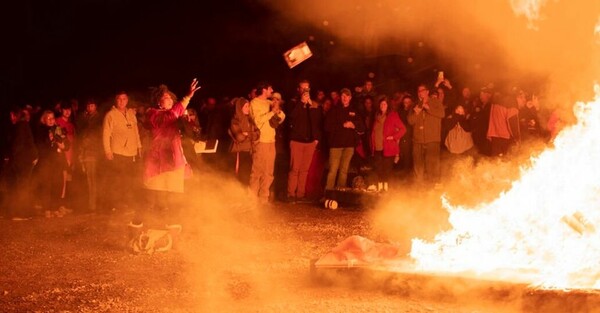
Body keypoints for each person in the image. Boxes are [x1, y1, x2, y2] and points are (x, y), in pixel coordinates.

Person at [142, 79, 201, 227]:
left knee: (174, 194)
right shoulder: (153, 114)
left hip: (174, 160)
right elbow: (170, 117)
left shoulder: (175, 115)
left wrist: (189, 123)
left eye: (170, 97)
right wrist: (187, 97)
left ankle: (172, 226)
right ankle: (145, 225)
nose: (169, 99)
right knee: (155, 195)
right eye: (165, 97)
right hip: (159, 161)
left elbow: (188, 131)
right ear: (158, 102)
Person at [102, 91, 143, 213]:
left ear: (127, 100)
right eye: (119, 99)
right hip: (118, 152)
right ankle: (117, 205)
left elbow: (135, 131)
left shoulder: (131, 114)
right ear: (116, 100)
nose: (122, 101)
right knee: (118, 180)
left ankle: (127, 203)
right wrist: (107, 150)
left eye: (124, 99)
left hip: (131, 152)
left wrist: (139, 146)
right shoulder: (110, 115)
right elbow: (105, 134)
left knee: (129, 180)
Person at [249, 81, 285, 205]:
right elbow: (258, 121)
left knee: (269, 172)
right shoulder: (254, 103)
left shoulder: (270, 102)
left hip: (271, 141)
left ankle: (263, 198)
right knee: (257, 171)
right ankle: (252, 198)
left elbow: (282, 117)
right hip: (261, 141)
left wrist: (277, 110)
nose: (272, 91)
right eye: (270, 89)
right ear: (264, 90)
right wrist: (272, 112)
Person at [286, 82, 322, 203]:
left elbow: (317, 122)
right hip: (297, 140)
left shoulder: (314, 104)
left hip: (310, 142)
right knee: (294, 169)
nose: (305, 89)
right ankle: (291, 194)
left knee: (304, 170)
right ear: (298, 89)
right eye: (303, 88)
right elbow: (291, 116)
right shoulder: (293, 102)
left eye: (307, 87)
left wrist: (316, 138)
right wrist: (301, 103)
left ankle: (301, 195)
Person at [324, 88, 365, 190]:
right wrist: (342, 125)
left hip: (349, 145)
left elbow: (362, 127)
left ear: (350, 98)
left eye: (347, 96)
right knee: (333, 170)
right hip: (336, 145)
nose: (345, 98)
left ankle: (340, 193)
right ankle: (328, 192)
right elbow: (327, 126)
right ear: (340, 98)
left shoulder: (354, 111)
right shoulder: (334, 110)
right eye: (343, 96)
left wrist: (353, 125)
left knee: (344, 170)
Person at [407, 84, 445, 186]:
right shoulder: (414, 104)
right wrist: (416, 113)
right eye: (418, 91)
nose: (420, 92)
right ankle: (419, 189)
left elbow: (442, 114)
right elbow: (410, 121)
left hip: (432, 139)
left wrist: (428, 108)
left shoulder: (435, 102)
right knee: (418, 166)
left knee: (432, 165)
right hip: (418, 140)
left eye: (422, 90)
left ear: (427, 92)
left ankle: (434, 187)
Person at [4, 108, 38, 219]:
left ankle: (22, 212)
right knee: (22, 186)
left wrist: (11, 160)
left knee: (21, 186)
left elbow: (18, 145)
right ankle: (20, 211)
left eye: (12, 115)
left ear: (15, 115)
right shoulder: (23, 125)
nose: (11, 118)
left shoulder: (21, 125)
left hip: (23, 161)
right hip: (25, 160)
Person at [370, 96, 406, 191]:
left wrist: (394, 137)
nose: (382, 105)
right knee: (379, 170)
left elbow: (403, 129)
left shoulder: (392, 115)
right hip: (377, 147)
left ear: (388, 105)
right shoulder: (376, 117)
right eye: (381, 104)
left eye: (384, 104)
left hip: (388, 147)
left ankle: (385, 191)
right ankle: (379, 190)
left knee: (386, 171)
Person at [77, 99, 103, 212]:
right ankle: (89, 204)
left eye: (92, 105)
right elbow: (81, 133)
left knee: (93, 179)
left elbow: (96, 134)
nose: (90, 108)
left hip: (94, 152)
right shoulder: (84, 118)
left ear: (95, 106)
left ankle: (93, 205)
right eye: (88, 106)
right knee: (88, 179)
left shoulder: (99, 119)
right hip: (86, 151)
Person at [229, 97, 260, 186]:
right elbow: (239, 137)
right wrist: (249, 135)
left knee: (247, 177)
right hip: (239, 152)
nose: (248, 108)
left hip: (249, 151)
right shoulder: (235, 120)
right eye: (246, 106)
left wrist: (247, 134)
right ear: (240, 107)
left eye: (248, 106)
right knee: (239, 177)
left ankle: (244, 197)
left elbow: (258, 134)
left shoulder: (250, 120)